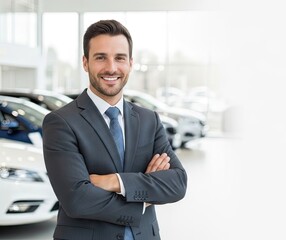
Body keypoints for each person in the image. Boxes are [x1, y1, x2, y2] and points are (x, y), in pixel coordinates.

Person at [43, 19, 187, 240]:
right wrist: (143, 200)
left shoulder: (149, 119)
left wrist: (114, 181)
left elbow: (177, 183)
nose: (111, 68)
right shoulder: (61, 122)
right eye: (100, 57)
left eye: (119, 58)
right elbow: (77, 200)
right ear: (85, 62)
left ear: (130, 62)